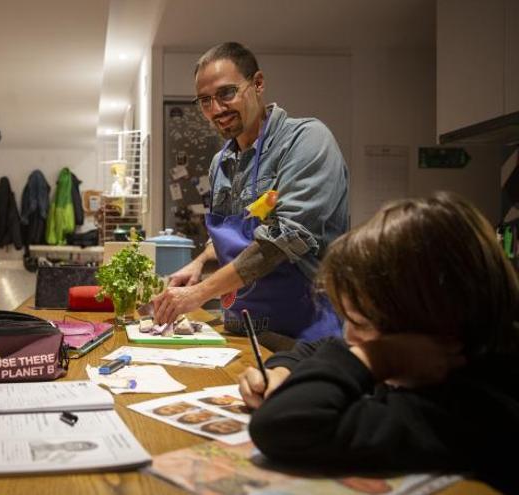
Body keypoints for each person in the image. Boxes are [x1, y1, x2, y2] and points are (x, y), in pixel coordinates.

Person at [238, 192, 519, 492]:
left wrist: (378, 358)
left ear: (431, 325)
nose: (350, 338)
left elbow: (282, 426)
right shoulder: (437, 352)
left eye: (359, 324)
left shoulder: (471, 410)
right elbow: (321, 348)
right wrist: (282, 369)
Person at [152, 42, 349, 343]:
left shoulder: (306, 141)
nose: (216, 110)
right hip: (242, 332)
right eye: (205, 101)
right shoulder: (221, 163)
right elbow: (238, 232)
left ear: (257, 84)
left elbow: (283, 240)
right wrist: (201, 262)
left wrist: (200, 293)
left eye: (226, 93)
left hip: (304, 336)